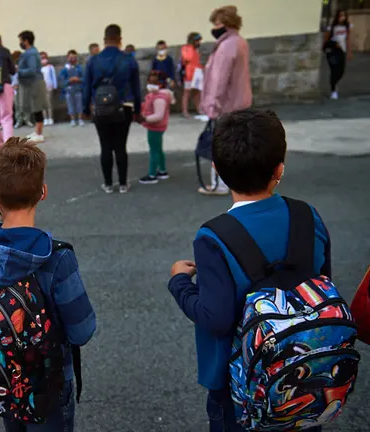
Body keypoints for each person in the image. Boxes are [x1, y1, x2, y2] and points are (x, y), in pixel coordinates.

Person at [168, 109, 329, 432]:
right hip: (307, 368)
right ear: (279, 169)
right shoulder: (308, 217)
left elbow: (217, 318)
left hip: (241, 380)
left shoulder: (213, 237)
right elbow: (323, 287)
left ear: (218, 170)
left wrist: (179, 283)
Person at [0, 137, 96, 432]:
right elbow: (82, 330)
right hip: (49, 381)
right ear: (43, 193)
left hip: (5, 375)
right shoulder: (56, 258)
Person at [199, 5, 252, 197]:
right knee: (237, 145)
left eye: (217, 23)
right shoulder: (240, 42)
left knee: (221, 147)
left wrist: (212, 107)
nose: (215, 27)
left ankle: (219, 185)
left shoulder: (226, 46)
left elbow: (219, 80)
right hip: (240, 102)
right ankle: (238, 182)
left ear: (227, 24)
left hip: (226, 105)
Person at [83, 24, 142, 194]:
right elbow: (137, 88)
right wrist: (138, 109)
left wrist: (85, 109)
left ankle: (108, 184)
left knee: (105, 146)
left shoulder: (93, 60)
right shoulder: (129, 59)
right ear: (120, 39)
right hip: (124, 106)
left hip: (101, 108)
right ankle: (123, 183)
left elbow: (86, 87)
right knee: (121, 146)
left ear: (104, 40)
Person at [139, 71, 173, 184]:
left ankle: (152, 174)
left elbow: (158, 115)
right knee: (158, 149)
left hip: (155, 127)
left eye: (153, 81)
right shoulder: (156, 95)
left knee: (154, 150)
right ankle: (162, 170)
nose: (149, 83)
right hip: (158, 126)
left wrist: (144, 119)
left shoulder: (159, 98)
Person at [17, 30, 48, 143]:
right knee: (35, 107)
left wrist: (18, 71)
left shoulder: (30, 53)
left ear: (26, 41)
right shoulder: (32, 52)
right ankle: (37, 131)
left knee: (37, 107)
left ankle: (39, 133)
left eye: (21, 40)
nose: (20, 43)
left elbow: (32, 70)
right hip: (33, 83)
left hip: (35, 83)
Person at [324, 10, 352, 100]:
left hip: (342, 51)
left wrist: (349, 52)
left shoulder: (347, 27)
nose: (342, 17)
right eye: (340, 15)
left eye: (343, 15)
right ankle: (333, 90)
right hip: (333, 51)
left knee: (341, 71)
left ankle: (334, 83)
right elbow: (326, 40)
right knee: (334, 71)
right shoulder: (332, 27)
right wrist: (331, 45)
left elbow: (348, 40)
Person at [180, 32, 204, 118]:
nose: (199, 43)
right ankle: (185, 111)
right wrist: (191, 49)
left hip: (197, 73)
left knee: (197, 92)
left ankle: (199, 109)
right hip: (189, 73)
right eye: (197, 41)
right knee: (187, 92)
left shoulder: (196, 49)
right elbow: (187, 58)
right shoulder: (186, 48)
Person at [59, 50, 84, 127]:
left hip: (78, 89)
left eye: (74, 57)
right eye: (71, 57)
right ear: (67, 58)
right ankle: (72, 120)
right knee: (70, 105)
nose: (72, 59)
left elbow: (85, 78)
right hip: (68, 90)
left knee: (79, 105)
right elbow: (61, 80)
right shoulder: (64, 69)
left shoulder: (80, 68)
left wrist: (78, 79)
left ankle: (80, 119)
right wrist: (69, 80)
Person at [40, 51, 57, 126]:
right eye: (42, 58)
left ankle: (50, 118)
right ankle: (45, 118)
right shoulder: (39, 68)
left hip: (49, 86)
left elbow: (53, 76)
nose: (43, 59)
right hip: (41, 88)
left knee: (49, 103)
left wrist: (55, 85)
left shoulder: (50, 67)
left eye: (44, 58)